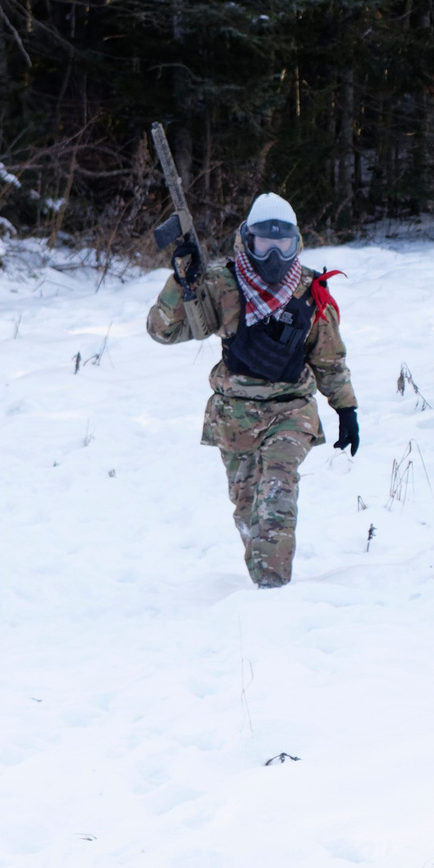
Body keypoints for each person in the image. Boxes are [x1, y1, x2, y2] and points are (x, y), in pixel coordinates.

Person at [146, 193, 361, 588]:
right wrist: (181, 282)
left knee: (278, 494)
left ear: (296, 243)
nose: (274, 253)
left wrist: (345, 409)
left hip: (291, 411)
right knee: (249, 511)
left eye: (283, 243)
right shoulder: (221, 284)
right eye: (265, 242)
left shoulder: (310, 291)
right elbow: (164, 329)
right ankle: (264, 585)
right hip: (235, 419)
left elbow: (328, 358)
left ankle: (274, 593)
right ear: (248, 240)